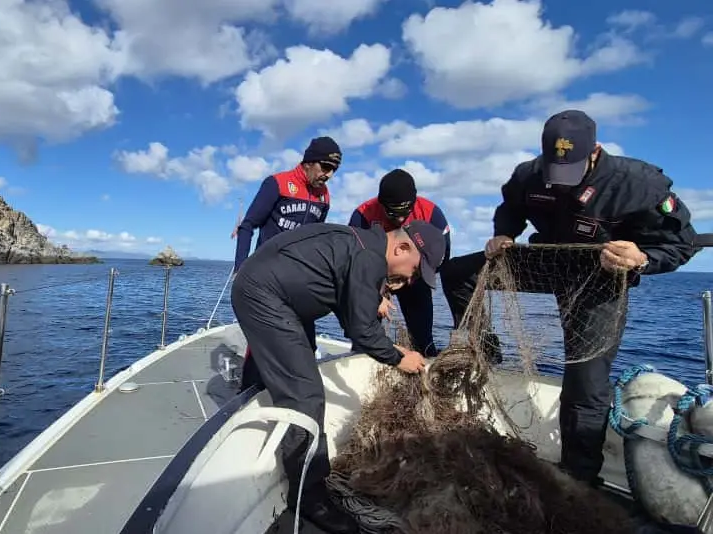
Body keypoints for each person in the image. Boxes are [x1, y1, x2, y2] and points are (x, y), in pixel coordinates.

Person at [439, 109, 701, 486]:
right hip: (547, 260)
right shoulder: (528, 174)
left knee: (585, 384)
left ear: (595, 152)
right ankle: (486, 347)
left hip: (600, 276)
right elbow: (510, 208)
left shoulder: (638, 184)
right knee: (457, 274)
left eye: (572, 170)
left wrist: (642, 258)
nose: (561, 182)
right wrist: (504, 234)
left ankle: (578, 479)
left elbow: (680, 244)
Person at [231, 220, 447, 534]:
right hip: (265, 296)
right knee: (305, 395)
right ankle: (309, 496)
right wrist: (400, 358)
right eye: (416, 269)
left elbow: (351, 313)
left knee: (297, 368)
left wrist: (374, 305)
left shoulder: (362, 245)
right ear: (402, 248)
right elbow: (361, 331)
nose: (411, 278)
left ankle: (254, 400)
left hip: (273, 293)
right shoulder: (369, 258)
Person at [349, 168, 452, 358]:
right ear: (381, 204)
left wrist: (410, 279)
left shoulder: (431, 213)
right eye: (392, 213)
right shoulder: (363, 214)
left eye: (405, 212)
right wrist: (377, 292)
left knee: (423, 338)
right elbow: (354, 262)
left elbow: (441, 259)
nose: (400, 219)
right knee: (363, 337)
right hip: (374, 279)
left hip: (415, 277)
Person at [233, 136, 342, 273]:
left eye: (334, 169)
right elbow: (247, 225)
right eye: (326, 167)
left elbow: (316, 237)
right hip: (266, 271)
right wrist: (239, 269)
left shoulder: (324, 195)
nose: (329, 175)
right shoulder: (277, 183)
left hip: (297, 275)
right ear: (308, 163)